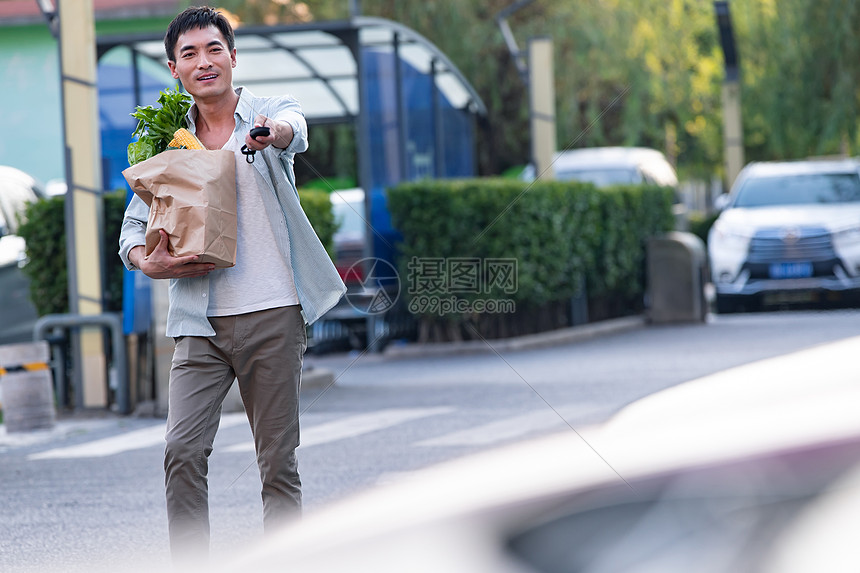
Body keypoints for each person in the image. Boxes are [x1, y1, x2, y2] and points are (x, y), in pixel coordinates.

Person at [118, 5, 346, 560]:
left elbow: (297, 125)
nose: (204, 62)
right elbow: (131, 225)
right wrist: (144, 261)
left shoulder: (263, 115)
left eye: (214, 49)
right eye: (189, 54)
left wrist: (276, 135)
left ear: (233, 56)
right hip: (198, 322)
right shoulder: (167, 140)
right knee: (182, 451)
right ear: (174, 68)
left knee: (276, 463)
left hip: (274, 312)